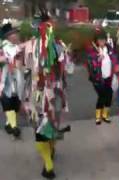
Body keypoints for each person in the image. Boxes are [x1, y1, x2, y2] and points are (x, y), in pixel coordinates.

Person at [25, 12, 71, 179]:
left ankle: (49, 162)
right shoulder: (37, 46)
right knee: (47, 127)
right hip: (44, 94)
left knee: (43, 129)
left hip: (48, 94)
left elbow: (68, 69)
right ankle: (49, 158)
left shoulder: (56, 46)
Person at [86, 28, 114, 125]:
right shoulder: (92, 51)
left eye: (103, 39)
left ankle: (105, 115)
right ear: (96, 40)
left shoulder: (109, 49)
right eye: (100, 40)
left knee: (109, 95)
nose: (102, 41)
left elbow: (114, 60)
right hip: (98, 79)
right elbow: (90, 65)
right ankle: (98, 117)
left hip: (108, 77)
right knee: (102, 96)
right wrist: (98, 60)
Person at [0, 23, 24, 139]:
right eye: (13, 34)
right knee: (8, 102)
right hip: (5, 79)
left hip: (16, 78)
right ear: (8, 36)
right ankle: (14, 127)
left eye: (16, 34)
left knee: (15, 103)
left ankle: (9, 124)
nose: (16, 36)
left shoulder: (15, 46)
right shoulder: (4, 47)